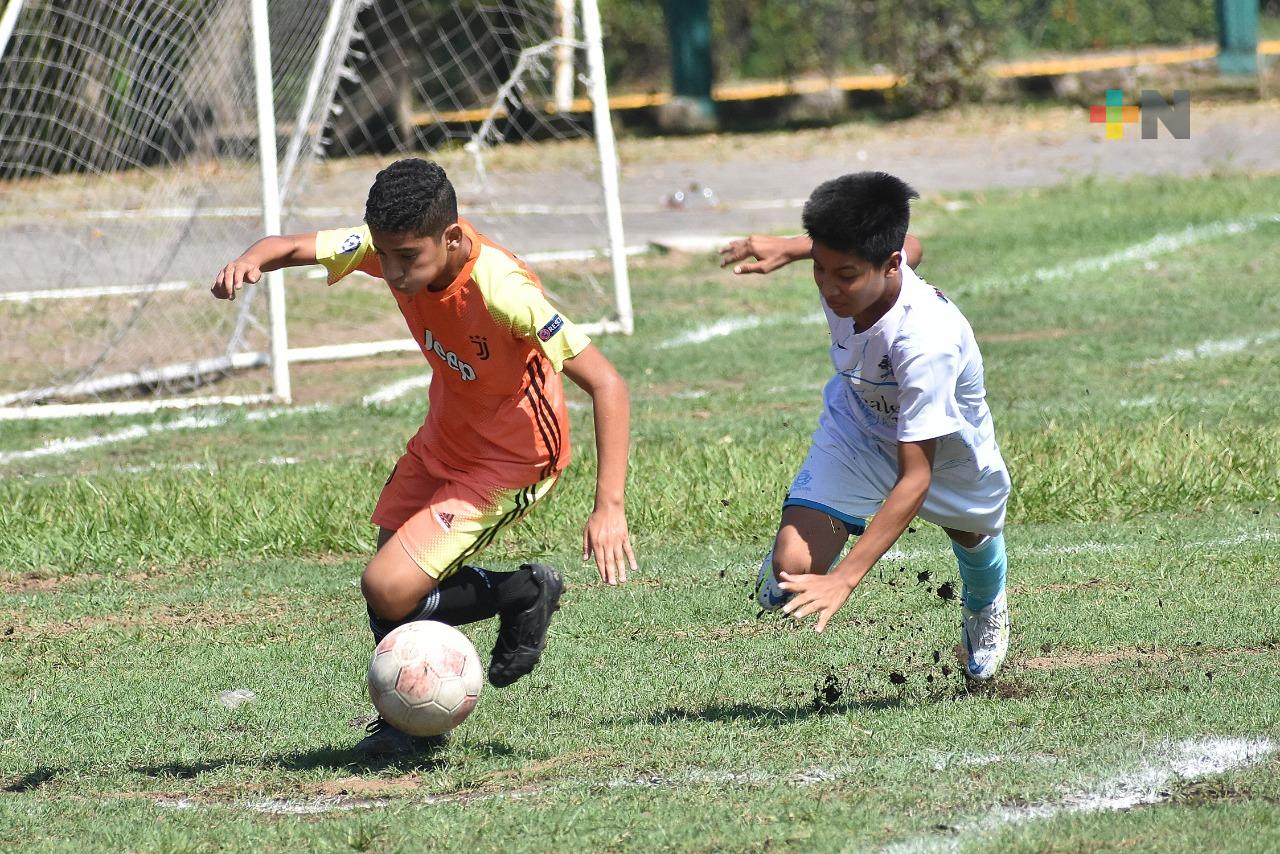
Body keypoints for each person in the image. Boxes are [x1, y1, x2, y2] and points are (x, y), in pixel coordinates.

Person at [212, 158, 637, 751]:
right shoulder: (396, 245)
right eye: (383, 256)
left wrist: (608, 505)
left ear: (453, 238)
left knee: (387, 587)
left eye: (406, 258)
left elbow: (607, 383)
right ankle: (413, 718)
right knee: (394, 581)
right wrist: (250, 260)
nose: (391, 272)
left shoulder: (503, 290)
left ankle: (516, 598)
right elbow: (289, 246)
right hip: (443, 438)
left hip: (511, 458)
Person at [719, 171, 1011, 681]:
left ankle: (986, 605)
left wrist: (846, 579)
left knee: (972, 538)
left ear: (888, 265)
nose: (830, 287)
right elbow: (912, 245)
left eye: (846, 275)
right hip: (858, 429)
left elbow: (916, 478)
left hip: (946, 453)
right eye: (820, 268)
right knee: (793, 570)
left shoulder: (925, 343)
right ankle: (796, 557)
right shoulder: (863, 268)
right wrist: (791, 247)